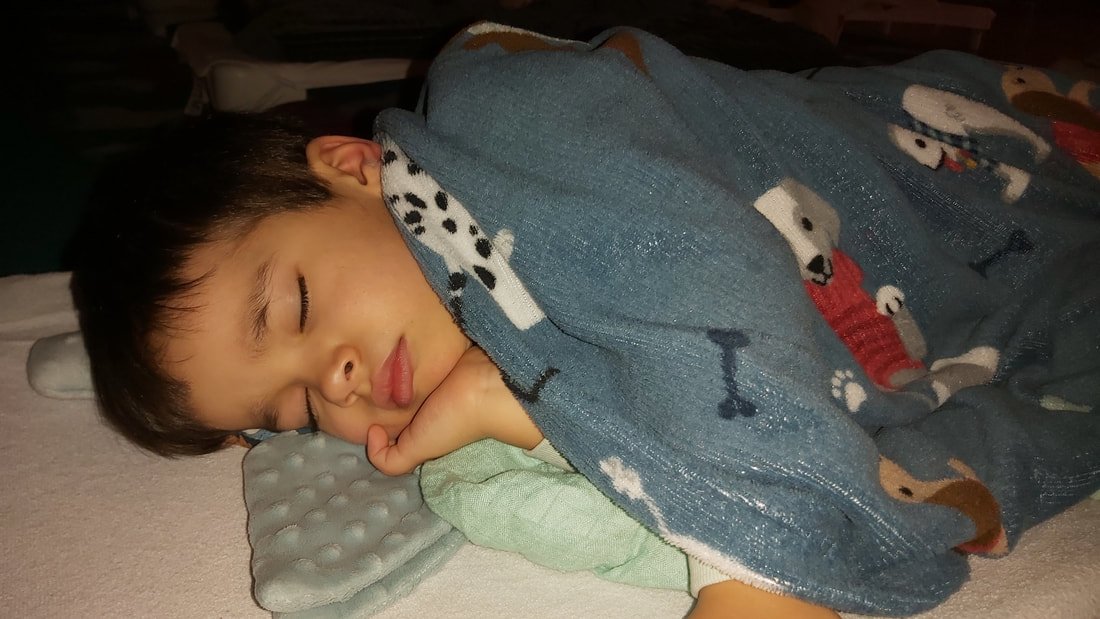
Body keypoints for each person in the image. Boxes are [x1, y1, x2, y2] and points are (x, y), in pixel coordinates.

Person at [72, 21, 1100, 619]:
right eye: (297, 409)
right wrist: (524, 411)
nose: (333, 381)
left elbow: (692, 285)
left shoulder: (503, 114)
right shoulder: (479, 323)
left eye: (293, 306)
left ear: (352, 168)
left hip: (979, 167)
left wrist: (756, 572)